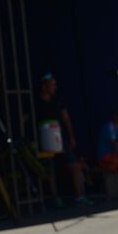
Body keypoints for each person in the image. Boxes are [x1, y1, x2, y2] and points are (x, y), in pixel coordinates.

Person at [36, 72, 89, 205]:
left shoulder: (58, 100)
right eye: (52, 85)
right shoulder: (36, 102)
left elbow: (66, 119)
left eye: (55, 84)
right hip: (45, 140)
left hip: (61, 139)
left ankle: (80, 196)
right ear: (44, 86)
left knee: (75, 166)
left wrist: (71, 136)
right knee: (50, 169)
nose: (54, 87)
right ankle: (55, 198)